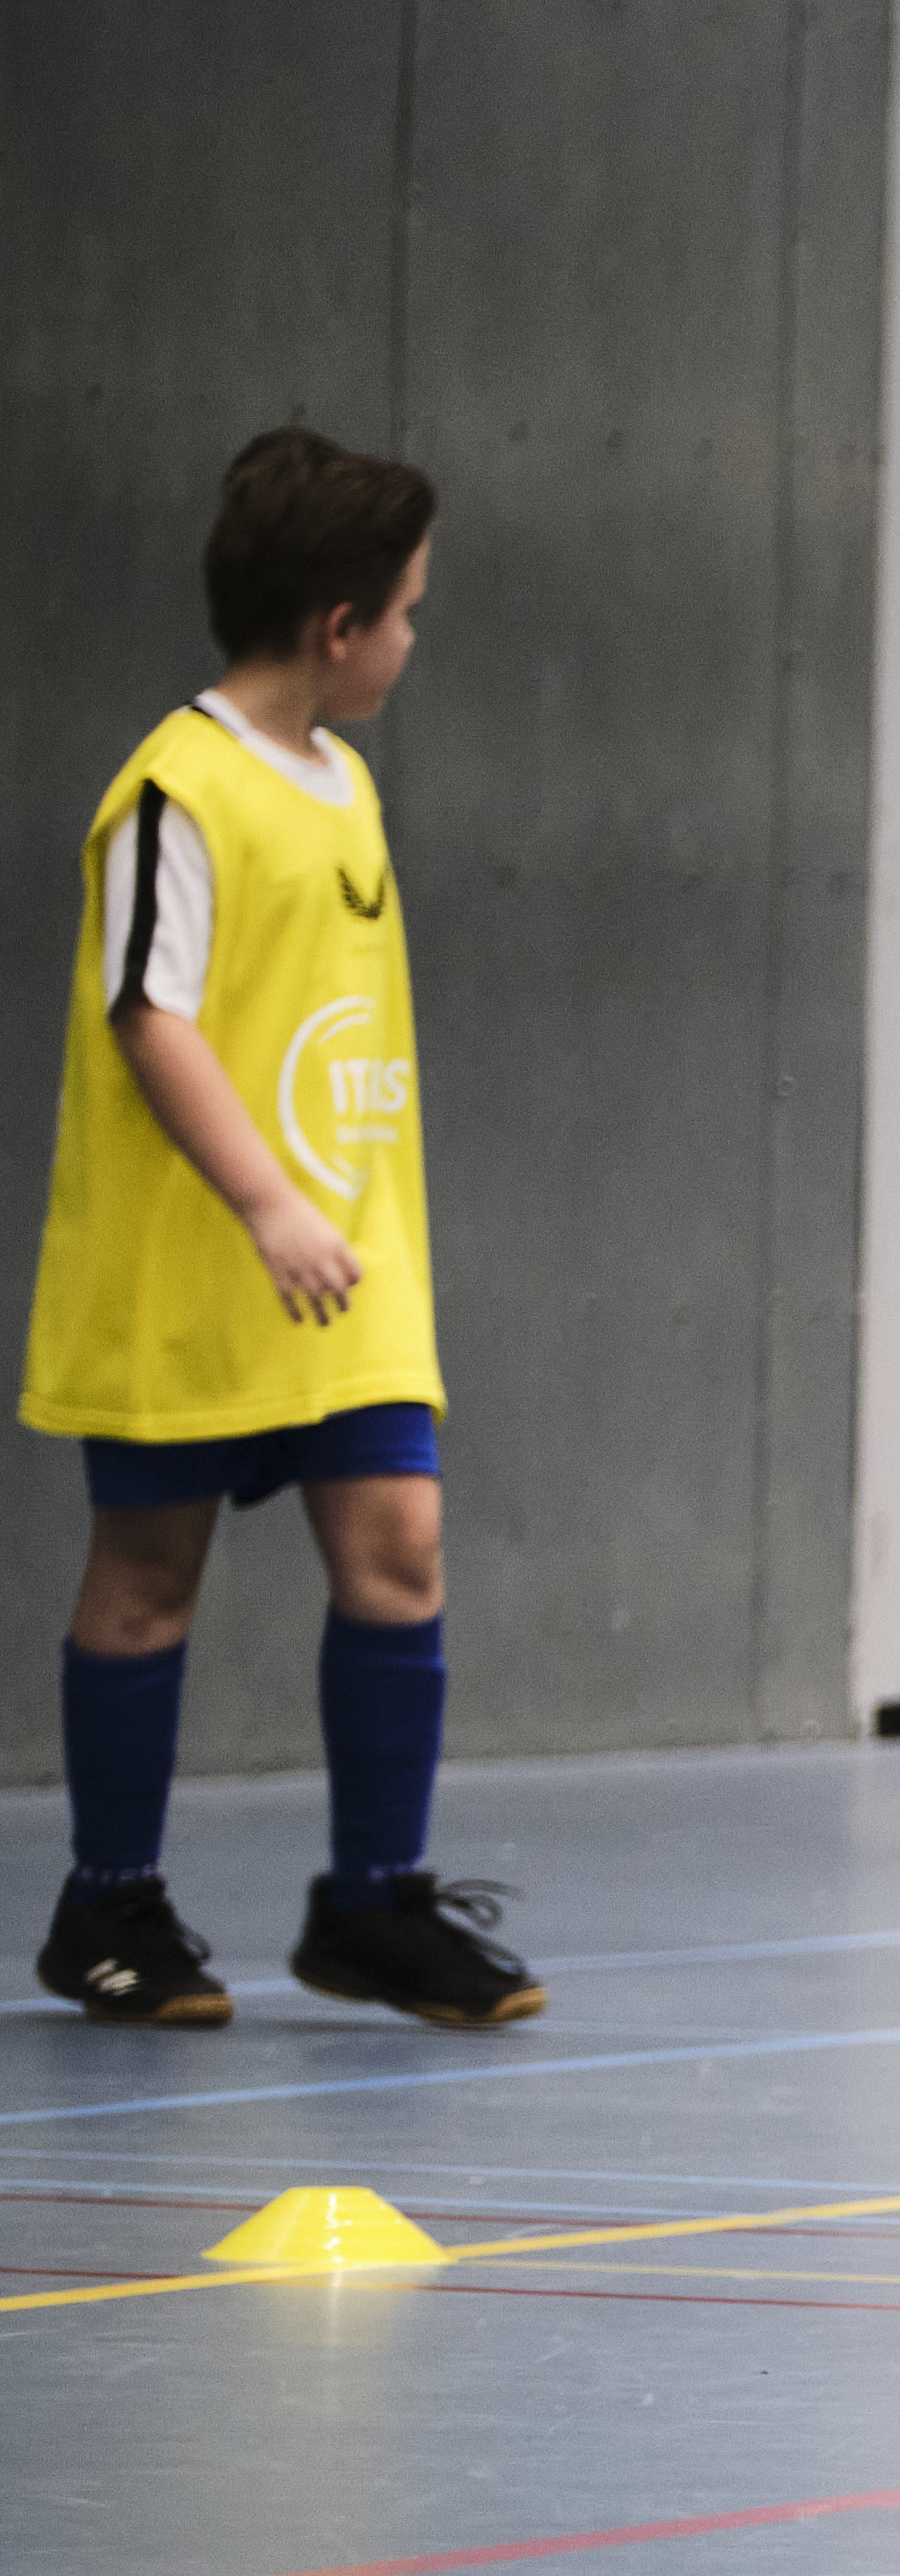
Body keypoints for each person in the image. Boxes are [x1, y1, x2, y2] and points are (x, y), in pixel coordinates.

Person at [26, 427, 538, 2031]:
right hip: (193, 1266)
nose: (413, 638)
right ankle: (108, 1904)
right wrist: (262, 1199)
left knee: (399, 1550)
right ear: (338, 625)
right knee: (148, 1578)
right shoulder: (174, 792)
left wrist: (326, 1214)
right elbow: (151, 1013)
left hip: (347, 1271)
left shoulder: (347, 784)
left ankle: (371, 1902)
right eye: (409, 612)